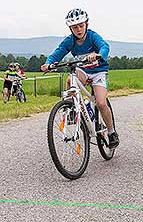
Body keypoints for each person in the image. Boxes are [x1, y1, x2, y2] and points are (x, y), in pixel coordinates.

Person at [41, 8, 119, 149]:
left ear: (86, 24)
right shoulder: (70, 41)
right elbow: (58, 52)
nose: (78, 30)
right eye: (74, 27)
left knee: (101, 103)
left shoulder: (92, 36)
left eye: (81, 26)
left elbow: (104, 46)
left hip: (98, 72)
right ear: (70, 28)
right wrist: (48, 63)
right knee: (71, 81)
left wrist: (98, 54)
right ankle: (72, 108)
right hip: (83, 70)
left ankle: (111, 132)